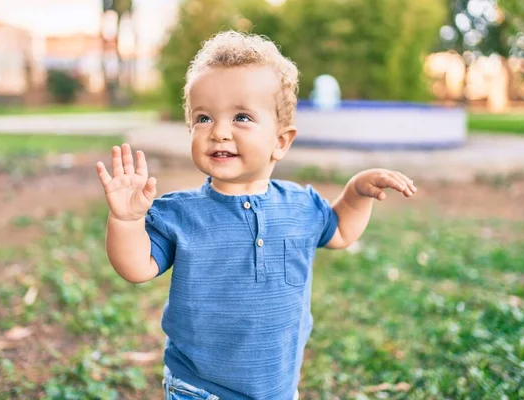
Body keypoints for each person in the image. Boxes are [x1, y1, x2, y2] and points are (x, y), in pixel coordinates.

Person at [95, 30, 417, 400]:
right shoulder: (180, 214)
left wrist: (357, 192)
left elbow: (341, 231)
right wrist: (126, 220)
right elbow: (136, 268)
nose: (218, 132)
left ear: (281, 141)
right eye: (203, 119)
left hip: (277, 389)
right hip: (199, 388)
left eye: (242, 117)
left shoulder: (300, 206)